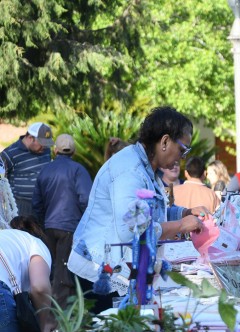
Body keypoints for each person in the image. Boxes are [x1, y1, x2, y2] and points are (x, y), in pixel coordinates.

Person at [68, 106, 207, 310]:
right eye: (183, 149)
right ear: (165, 141)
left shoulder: (146, 168)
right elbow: (133, 228)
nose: (183, 157)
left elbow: (149, 211)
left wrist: (183, 213)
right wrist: (180, 226)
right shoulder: (129, 170)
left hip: (118, 269)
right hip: (100, 272)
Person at [32, 134, 93, 307]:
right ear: (73, 150)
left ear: (55, 150)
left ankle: (47, 313)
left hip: (49, 227)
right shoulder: (78, 170)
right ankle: (62, 318)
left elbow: (36, 202)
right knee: (64, 274)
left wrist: (44, 223)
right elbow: (86, 199)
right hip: (71, 228)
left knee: (51, 273)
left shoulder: (45, 170)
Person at [0, 122, 54, 217]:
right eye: (42, 143)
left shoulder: (46, 151)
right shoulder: (9, 154)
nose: (45, 147)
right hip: (20, 207)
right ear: (30, 138)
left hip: (43, 205)